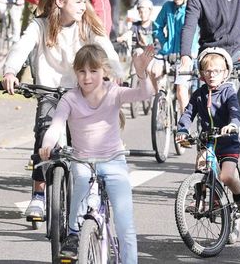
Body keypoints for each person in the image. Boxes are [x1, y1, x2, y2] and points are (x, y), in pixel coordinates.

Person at [3, 0, 124, 221]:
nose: (83, 6)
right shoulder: (40, 25)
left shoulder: (86, 25)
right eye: (78, 2)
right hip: (48, 92)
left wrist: (117, 73)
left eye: (84, 1)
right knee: (44, 135)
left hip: (80, 93)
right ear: (60, 1)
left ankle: (92, 190)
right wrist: (10, 71)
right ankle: (38, 195)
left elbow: (105, 48)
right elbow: (21, 47)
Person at [37, 44, 155, 264]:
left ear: (104, 71)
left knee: (125, 225)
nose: (87, 77)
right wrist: (47, 145)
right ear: (75, 73)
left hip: (113, 160)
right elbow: (56, 125)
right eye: (81, 71)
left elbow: (145, 93)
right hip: (82, 160)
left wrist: (141, 73)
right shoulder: (70, 98)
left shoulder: (113, 92)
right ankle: (74, 234)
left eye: (93, 71)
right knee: (81, 178)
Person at [175, 47, 240, 243]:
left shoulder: (228, 91)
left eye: (217, 71)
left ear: (225, 73)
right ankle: (200, 199)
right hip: (207, 140)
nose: (212, 75)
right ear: (201, 73)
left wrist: (233, 125)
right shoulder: (199, 94)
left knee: (226, 176)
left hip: (227, 142)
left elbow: (235, 111)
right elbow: (188, 113)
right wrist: (182, 130)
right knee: (201, 164)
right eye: (208, 71)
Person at [152, 0, 200, 116]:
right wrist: (164, 42)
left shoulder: (192, 8)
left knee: (181, 90)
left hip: (187, 55)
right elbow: (157, 27)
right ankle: (160, 98)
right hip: (168, 52)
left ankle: (184, 123)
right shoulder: (167, 7)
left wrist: (194, 49)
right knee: (154, 71)